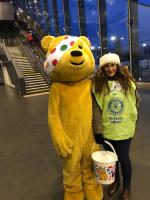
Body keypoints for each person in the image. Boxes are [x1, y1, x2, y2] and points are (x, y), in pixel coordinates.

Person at [92, 53, 141, 200]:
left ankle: (127, 188)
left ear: (117, 66)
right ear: (102, 68)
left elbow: (136, 100)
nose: (110, 69)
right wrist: (98, 131)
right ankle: (115, 183)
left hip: (125, 130)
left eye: (112, 65)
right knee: (113, 160)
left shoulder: (128, 82)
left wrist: (132, 118)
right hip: (108, 130)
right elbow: (96, 110)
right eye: (106, 66)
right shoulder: (98, 85)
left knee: (124, 159)